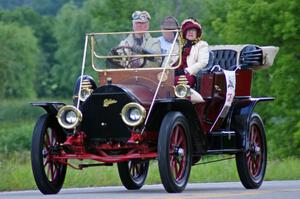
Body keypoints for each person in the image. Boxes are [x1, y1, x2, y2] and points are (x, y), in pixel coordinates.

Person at [176, 18, 209, 102]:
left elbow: (203, 62)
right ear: (184, 33)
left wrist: (186, 71)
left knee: (180, 82)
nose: (190, 32)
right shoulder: (178, 45)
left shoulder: (202, 45)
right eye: (188, 30)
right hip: (175, 72)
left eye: (193, 30)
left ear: (197, 33)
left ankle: (189, 104)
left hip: (191, 74)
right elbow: (170, 60)